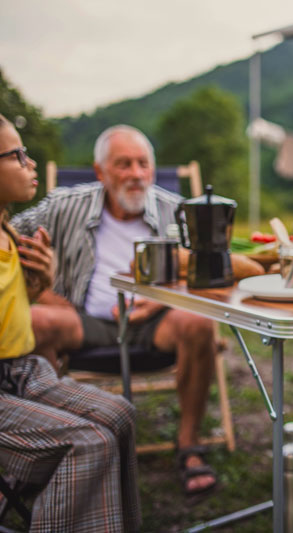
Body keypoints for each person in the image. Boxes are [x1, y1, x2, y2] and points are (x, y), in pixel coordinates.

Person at [11, 124, 219, 496]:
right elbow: (9, 231)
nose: (136, 174)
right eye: (124, 164)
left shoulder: (176, 211)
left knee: (199, 322)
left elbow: (208, 269)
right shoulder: (65, 205)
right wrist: (43, 291)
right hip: (82, 319)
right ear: (100, 171)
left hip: (155, 321)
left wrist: (164, 297)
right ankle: (53, 444)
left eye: (143, 163)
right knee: (36, 320)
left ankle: (189, 442)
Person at [0, 113, 141, 532]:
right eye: (16, 155)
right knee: (87, 443)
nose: (29, 163)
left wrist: (39, 282)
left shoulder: (8, 231)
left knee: (120, 415)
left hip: (18, 370)